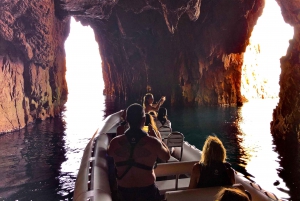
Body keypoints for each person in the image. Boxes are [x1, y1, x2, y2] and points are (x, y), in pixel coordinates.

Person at [107, 103, 170, 201]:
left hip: (124, 192)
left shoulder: (115, 142)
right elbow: (167, 156)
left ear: (127, 119)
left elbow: (110, 153)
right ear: (144, 120)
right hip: (147, 191)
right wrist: (158, 138)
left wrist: (118, 136)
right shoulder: (153, 142)